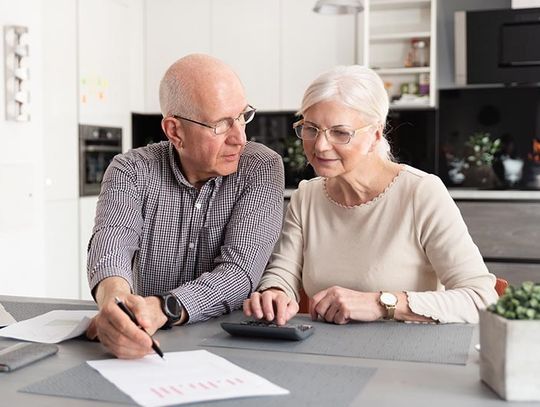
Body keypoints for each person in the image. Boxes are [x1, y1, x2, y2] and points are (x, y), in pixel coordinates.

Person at [244, 65, 498, 326]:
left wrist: (382, 303)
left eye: (340, 133)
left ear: (375, 135)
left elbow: (481, 299)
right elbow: (283, 273)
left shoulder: (421, 192)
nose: (320, 145)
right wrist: (273, 292)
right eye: (311, 129)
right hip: (327, 355)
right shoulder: (307, 197)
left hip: (406, 359)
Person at [86, 54, 284, 358]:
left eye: (243, 116)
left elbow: (239, 272)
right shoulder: (130, 170)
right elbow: (112, 245)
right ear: (175, 131)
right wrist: (117, 305)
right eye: (221, 125)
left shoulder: (261, 168)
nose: (240, 138)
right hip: (148, 344)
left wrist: (162, 308)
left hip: (233, 347)